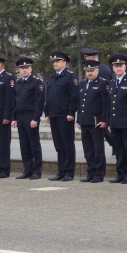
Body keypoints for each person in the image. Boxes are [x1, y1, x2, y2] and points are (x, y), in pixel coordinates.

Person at [44, 50, 79, 182]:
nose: (55, 63)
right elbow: (49, 97)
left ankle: (69, 172)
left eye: (58, 61)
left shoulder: (70, 77)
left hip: (65, 116)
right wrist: (47, 113)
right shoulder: (52, 78)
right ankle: (61, 171)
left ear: (65, 62)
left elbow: (74, 96)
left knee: (67, 144)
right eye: (54, 61)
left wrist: (71, 112)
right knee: (58, 145)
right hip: (54, 115)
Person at [107, 53, 127, 184]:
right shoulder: (112, 83)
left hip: (126, 122)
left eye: (120, 66)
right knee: (118, 149)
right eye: (116, 66)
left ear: (125, 67)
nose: (118, 68)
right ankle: (120, 173)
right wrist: (109, 121)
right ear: (113, 68)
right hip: (115, 122)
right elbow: (110, 104)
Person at [12, 57, 45, 180]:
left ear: (31, 68)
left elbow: (39, 102)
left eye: (26, 67)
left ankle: (36, 171)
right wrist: (14, 118)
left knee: (34, 145)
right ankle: (27, 169)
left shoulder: (37, 82)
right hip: (20, 117)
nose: (24, 70)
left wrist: (36, 118)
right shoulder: (18, 83)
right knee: (24, 145)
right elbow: (15, 102)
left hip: (31, 117)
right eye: (22, 68)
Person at [77, 59, 109, 183]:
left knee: (98, 149)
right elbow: (81, 104)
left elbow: (105, 103)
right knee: (88, 150)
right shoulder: (83, 84)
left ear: (97, 71)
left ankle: (99, 173)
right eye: (87, 71)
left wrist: (104, 120)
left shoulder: (102, 83)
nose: (89, 73)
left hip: (97, 122)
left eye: (92, 70)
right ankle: (90, 172)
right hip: (85, 122)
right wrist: (79, 119)